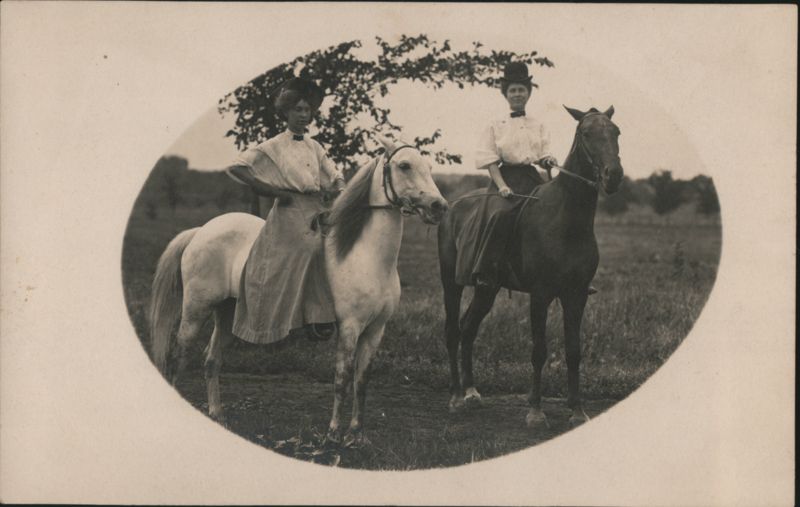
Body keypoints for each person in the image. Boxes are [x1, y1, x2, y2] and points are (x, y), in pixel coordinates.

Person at [225, 76, 346, 343]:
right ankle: (309, 318)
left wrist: (338, 185)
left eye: (307, 110)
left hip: (315, 207)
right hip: (289, 211)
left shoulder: (315, 146)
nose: (304, 116)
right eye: (298, 110)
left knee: (336, 247)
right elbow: (237, 167)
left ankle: (327, 315)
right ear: (286, 113)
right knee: (311, 248)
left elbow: (333, 172)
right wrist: (272, 191)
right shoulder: (274, 145)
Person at [456, 61, 556, 289]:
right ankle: (485, 270)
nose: (517, 94)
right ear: (506, 94)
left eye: (522, 90)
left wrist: (548, 159)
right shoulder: (495, 124)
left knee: (555, 213)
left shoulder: (538, 124)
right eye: (513, 91)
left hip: (532, 178)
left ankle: (560, 272)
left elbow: (543, 153)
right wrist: (501, 185)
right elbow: (490, 160)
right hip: (505, 179)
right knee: (500, 215)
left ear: (529, 93)